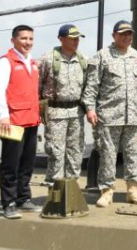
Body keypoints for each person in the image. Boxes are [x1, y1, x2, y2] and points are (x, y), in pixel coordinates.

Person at [81, 20, 137, 207]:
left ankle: (133, 191)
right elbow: (91, 86)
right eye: (122, 34)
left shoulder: (135, 55)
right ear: (114, 36)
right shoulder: (102, 56)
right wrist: (90, 109)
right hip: (109, 116)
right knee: (108, 155)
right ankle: (107, 191)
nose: (127, 37)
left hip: (132, 115)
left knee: (133, 154)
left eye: (129, 34)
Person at [0, 25, 41, 219]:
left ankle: (23, 198)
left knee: (27, 163)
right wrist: (2, 114)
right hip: (12, 122)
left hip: (31, 119)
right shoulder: (5, 62)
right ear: (13, 40)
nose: (27, 42)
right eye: (23, 38)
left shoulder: (33, 63)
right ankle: (9, 203)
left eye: (30, 39)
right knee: (10, 165)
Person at [38, 24, 87, 185]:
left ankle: (72, 191)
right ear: (61, 39)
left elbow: (88, 86)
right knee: (56, 152)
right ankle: (54, 191)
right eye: (72, 38)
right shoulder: (47, 59)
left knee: (75, 152)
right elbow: (36, 87)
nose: (76, 41)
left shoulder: (82, 60)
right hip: (55, 112)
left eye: (77, 38)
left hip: (76, 113)